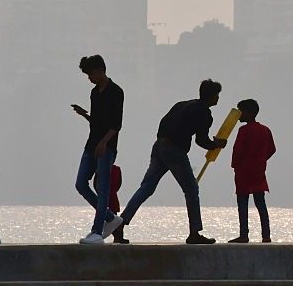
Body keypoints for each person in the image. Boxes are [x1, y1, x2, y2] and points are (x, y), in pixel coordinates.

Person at [117, 79, 227, 244]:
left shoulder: (182, 104)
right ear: (212, 96)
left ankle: (120, 223)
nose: (218, 98)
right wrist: (216, 144)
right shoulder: (204, 112)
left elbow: (164, 123)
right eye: (217, 95)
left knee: (146, 187)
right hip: (175, 151)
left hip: (159, 146)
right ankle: (194, 233)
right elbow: (201, 140)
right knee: (191, 189)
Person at [72, 54, 125, 244]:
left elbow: (116, 124)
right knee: (80, 184)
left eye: (90, 74)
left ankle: (97, 231)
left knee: (103, 188)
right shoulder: (94, 93)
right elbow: (96, 122)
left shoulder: (116, 92)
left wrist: (104, 142)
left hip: (107, 147)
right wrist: (84, 115)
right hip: (91, 144)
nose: (89, 78)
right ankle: (110, 218)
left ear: (100, 70)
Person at [229, 98, 276, 244]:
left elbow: (237, 150)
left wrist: (235, 165)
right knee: (261, 204)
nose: (238, 115)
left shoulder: (243, 130)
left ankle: (244, 234)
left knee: (243, 204)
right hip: (259, 172)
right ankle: (266, 235)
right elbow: (272, 149)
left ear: (248, 113)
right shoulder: (265, 130)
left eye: (240, 112)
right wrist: (261, 159)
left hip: (243, 172)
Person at [93, 164, 128, 244]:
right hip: (112, 196)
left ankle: (98, 234)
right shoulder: (117, 169)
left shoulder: (100, 169)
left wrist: (100, 193)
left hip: (105, 197)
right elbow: (119, 183)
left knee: (105, 217)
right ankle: (118, 237)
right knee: (114, 218)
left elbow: (96, 184)